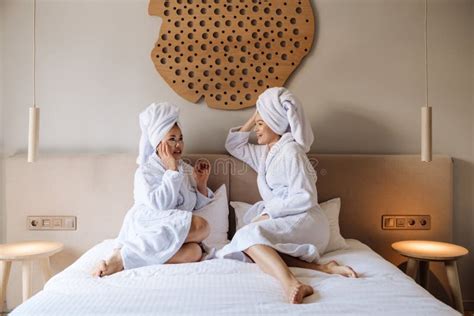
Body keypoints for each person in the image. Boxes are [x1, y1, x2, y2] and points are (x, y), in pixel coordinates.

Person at [216, 87, 357, 304]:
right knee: (252, 248)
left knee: (247, 236)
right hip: (289, 219)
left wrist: (269, 213)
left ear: (276, 123)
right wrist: (257, 114)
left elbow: (306, 196)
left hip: (307, 220)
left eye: (260, 124)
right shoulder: (266, 153)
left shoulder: (292, 152)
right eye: (257, 124)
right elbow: (233, 145)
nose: (256, 129)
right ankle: (323, 268)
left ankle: (292, 283)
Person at [92, 102, 214, 277]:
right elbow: (161, 206)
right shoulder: (145, 172)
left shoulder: (185, 169)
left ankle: (137, 258)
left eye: (180, 138)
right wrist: (171, 171)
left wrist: (201, 183)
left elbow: (190, 206)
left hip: (171, 229)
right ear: (158, 143)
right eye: (172, 139)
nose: (178, 144)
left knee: (194, 252)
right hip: (149, 225)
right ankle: (121, 258)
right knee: (202, 227)